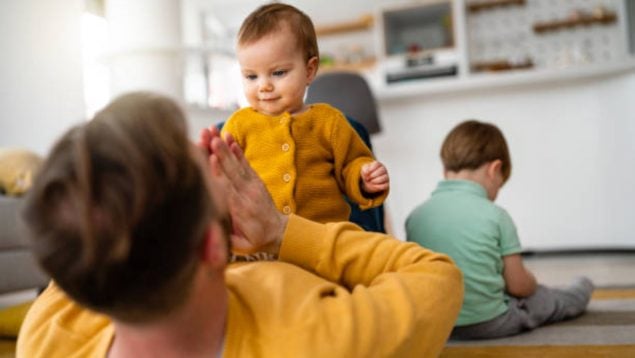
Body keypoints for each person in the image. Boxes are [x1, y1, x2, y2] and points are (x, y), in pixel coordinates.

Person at [17, 92, 463, 357]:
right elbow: (437, 278)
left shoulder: (47, 337)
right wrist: (284, 230)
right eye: (204, 170)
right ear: (212, 246)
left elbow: (83, 237)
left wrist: (178, 198)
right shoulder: (313, 339)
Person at [405, 119, 594, 340]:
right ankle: (583, 288)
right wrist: (532, 282)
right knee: (546, 299)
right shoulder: (496, 216)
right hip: (489, 323)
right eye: (500, 184)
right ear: (495, 169)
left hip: (436, 324)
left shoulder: (415, 216)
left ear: (445, 169)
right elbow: (519, 286)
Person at [222, 3, 389, 226]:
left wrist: (363, 177)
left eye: (278, 73)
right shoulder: (238, 126)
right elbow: (221, 177)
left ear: (309, 70)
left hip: (327, 238)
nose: (263, 86)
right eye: (251, 77)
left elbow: (352, 164)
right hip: (265, 244)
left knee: (388, 255)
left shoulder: (329, 122)